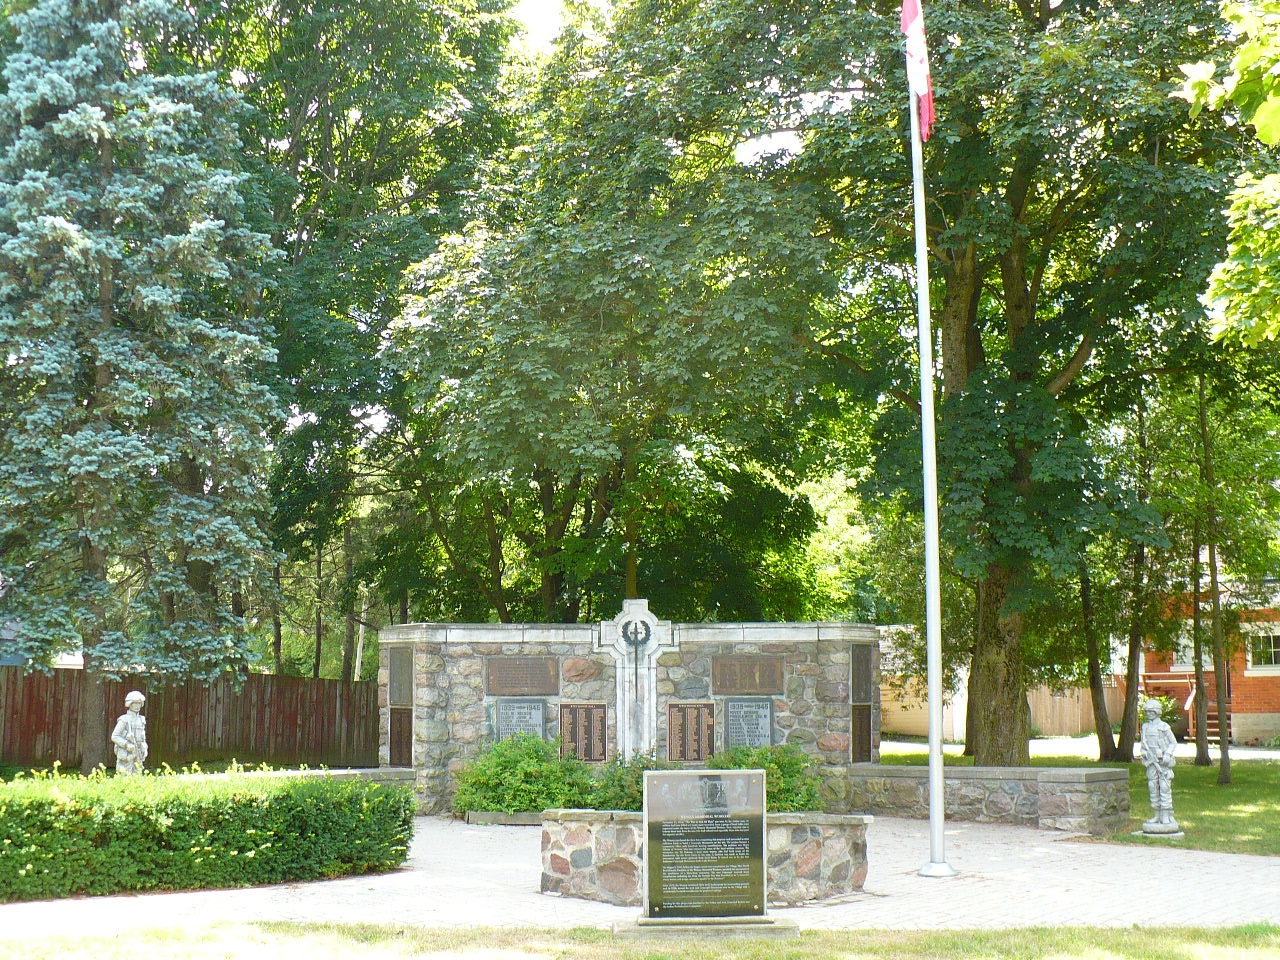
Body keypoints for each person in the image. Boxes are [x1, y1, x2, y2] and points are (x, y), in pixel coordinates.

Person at [1139, 698, 1178, 831]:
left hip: (1162, 763)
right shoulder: (1145, 727)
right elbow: (1143, 744)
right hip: (1151, 762)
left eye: (1151, 711)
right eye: (1147, 711)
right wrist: (1144, 753)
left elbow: (1173, 742)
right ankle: (1156, 814)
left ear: (1156, 712)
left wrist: (1167, 755)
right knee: (1152, 786)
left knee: (1165, 787)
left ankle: (1166, 814)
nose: (1148, 713)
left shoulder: (1164, 727)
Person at [111, 690, 149, 775]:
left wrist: (144, 748)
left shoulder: (141, 719)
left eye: (139, 703)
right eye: (134, 703)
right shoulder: (124, 719)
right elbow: (114, 736)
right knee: (124, 777)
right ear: (129, 704)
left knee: (137, 777)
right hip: (127, 755)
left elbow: (142, 737)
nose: (137, 706)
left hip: (138, 754)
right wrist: (126, 744)